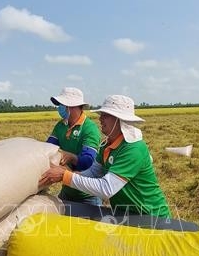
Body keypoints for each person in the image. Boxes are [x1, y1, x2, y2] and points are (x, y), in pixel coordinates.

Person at [39, 95, 171, 218]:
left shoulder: (133, 149)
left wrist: (65, 176)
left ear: (119, 120)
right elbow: (93, 172)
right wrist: (67, 173)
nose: (100, 119)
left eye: (105, 115)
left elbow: (106, 188)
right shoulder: (107, 145)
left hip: (150, 216)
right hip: (124, 213)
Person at [45, 87, 101, 206]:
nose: (59, 108)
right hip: (67, 190)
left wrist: (71, 157)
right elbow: (48, 147)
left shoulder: (89, 128)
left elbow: (88, 162)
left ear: (73, 106)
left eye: (62, 104)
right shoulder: (61, 126)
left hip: (87, 195)